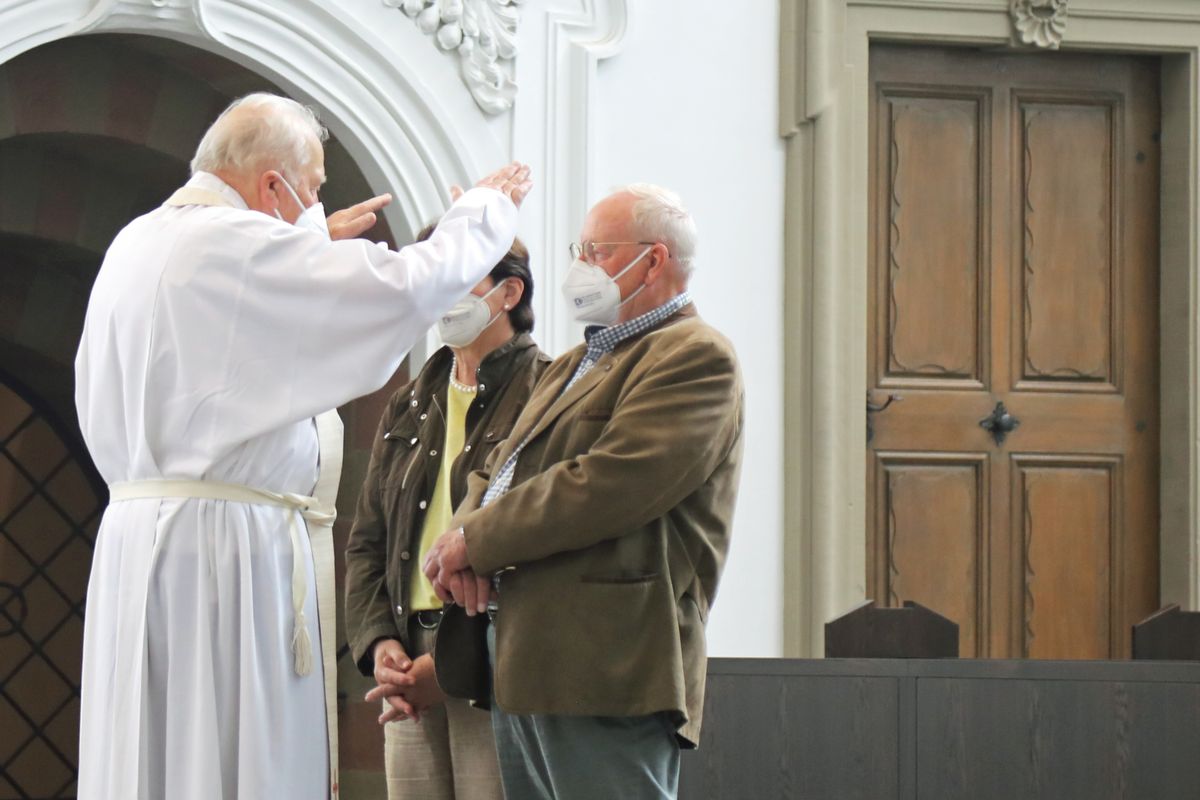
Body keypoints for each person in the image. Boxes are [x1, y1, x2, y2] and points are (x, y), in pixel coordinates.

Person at [73, 91, 532, 800]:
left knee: (152, 755)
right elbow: (403, 288)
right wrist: (484, 214)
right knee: (231, 760)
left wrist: (310, 249)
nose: (315, 208)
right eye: (312, 191)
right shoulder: (239, 243)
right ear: (270, 185)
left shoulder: (136, 243)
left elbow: (229, 345)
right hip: (226, 555)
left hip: (140, 546)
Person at [421, 184, 744, 799]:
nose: (581, 264)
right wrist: (462, 538)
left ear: (652, 260)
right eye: (582, 248)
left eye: (597, 249)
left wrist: (477, 541)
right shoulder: (573, 363)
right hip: (522, 652)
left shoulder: (696, 356)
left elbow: (608, 484)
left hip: (607, 659)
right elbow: (495, 466)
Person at [344, 221, 550, 800]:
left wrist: (450, 665)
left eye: (459, 276)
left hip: (493, 665)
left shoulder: (548, 390)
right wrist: (381, 645)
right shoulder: (409, 402)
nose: (442, 293)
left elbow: (537, 536)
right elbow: (367, 542)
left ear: (509, 293)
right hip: (407, 663)